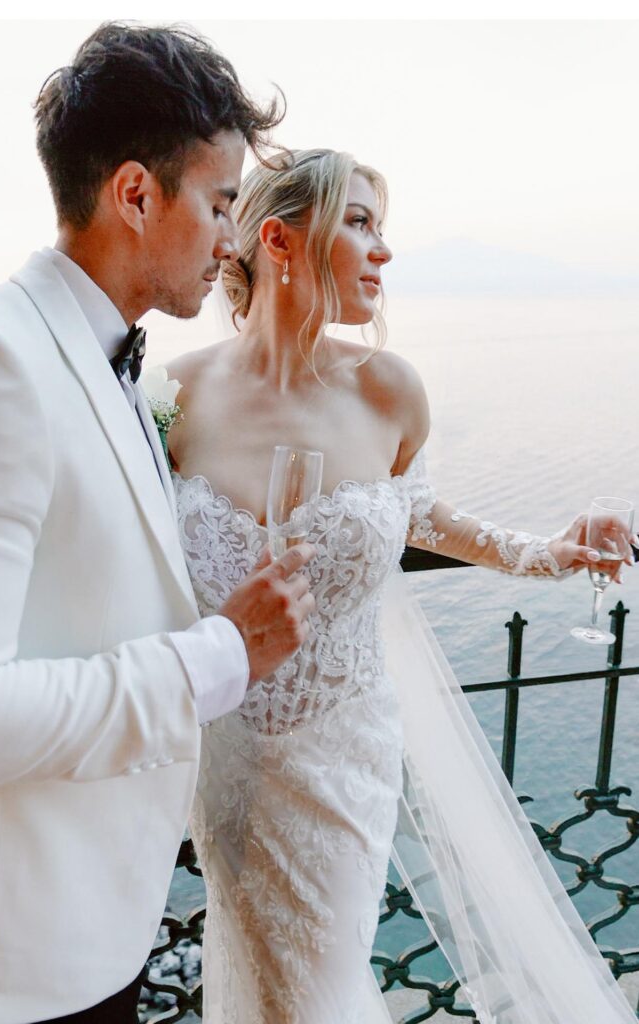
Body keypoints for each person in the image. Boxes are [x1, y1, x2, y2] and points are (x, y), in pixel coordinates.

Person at [166, 148, 636, 1024]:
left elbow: (422, 516)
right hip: (221, 754)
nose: (382, 251)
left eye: (383, 228)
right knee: (259, 983)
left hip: (341, 753)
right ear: (277, 238)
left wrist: (554, 549)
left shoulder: (390, 392)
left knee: (314, 990)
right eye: (359, 223)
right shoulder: (174, 394)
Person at [0, 23, 317, 1024]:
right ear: (131, 194)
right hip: (17, 969)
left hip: (102, 929)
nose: (233, 240)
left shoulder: (110, 361)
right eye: (218, 205)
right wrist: (219, 655)